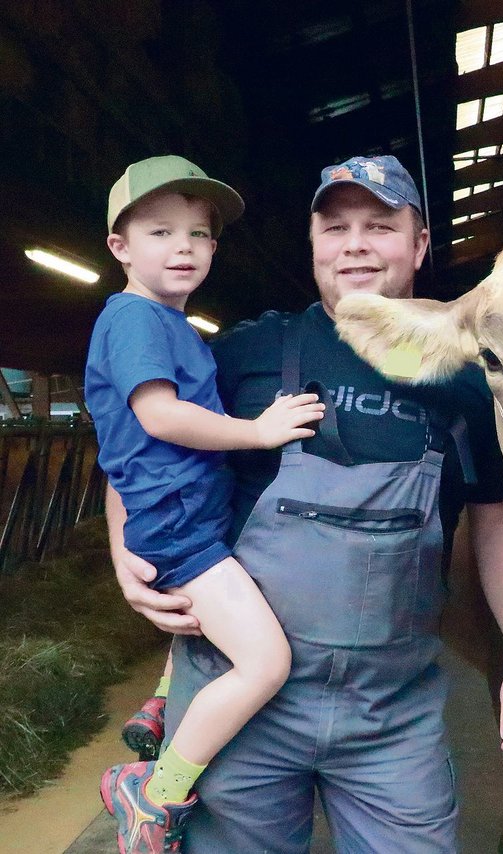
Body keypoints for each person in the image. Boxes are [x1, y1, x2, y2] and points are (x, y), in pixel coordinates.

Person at [108, 154, 503, 853]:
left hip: (391, 715)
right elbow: (138, 436)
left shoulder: (469, 380)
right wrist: (121, 546)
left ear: (419, 244)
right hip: (241, 705)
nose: (356, 245)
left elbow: (497, 521)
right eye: (336, 226)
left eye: (380, 226)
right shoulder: (248, 353)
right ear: (313, 243)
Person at [88, 155, 326, 853]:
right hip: (178, 532)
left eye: (199, 234)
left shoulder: (171, 325)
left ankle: (167, 694)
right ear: (120, 247)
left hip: (189, 520)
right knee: (264, 662)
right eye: (160, 232)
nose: (184, 248)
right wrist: (257, 432)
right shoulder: (135, 319)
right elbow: (158, 417)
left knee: (234, 613)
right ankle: (154, 790)